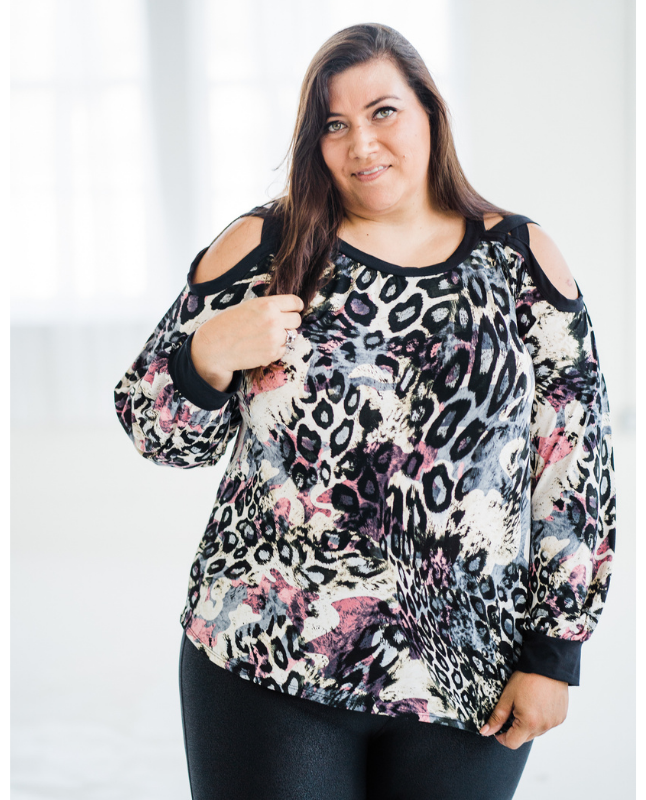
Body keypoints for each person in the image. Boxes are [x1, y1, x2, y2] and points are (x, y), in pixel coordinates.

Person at [114, 22, 616, 800]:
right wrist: (207, 353)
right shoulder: (267, 245)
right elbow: (156, 432)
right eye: (334, 124)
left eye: (383, 112)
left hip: (467, 672)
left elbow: (576, 463)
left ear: (429, 113)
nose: (361, 144)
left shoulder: (519, 257)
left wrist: (555, 652)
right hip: (268, 655)